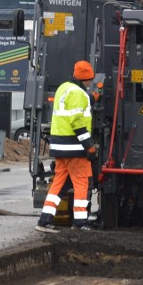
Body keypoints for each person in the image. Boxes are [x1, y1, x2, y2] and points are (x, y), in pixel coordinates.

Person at [35, 60, 97, 233]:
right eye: (89, 80)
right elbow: (76, 121)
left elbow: (71, 108)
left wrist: (91, 99)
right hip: (75, 148)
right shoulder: (79, 94)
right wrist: (89, 146)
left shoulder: (64, 88)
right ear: (84, 78)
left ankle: (44, 220)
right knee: (82, 183)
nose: (91, 83)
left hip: (60, 146)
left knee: (59, 184)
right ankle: (80, 222)